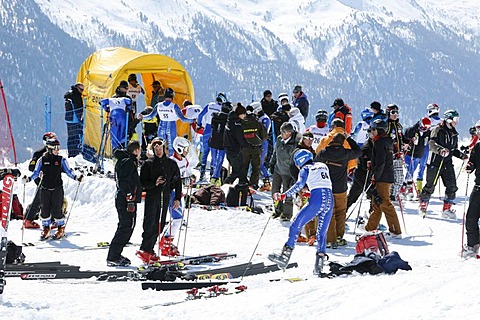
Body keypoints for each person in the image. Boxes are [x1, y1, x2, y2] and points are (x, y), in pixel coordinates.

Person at [268, 149, 333, 276]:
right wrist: (311, 192)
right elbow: (322, 183)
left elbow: (299, 185)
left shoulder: (305, 169)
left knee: (295, 225)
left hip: (317, 200)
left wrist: (283, 195)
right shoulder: (322, 165)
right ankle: (319, 266)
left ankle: (284, 257)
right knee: (321, 233)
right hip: (329, 200)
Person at [23, 138, 83, 240]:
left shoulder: (61, 160)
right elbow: (36, 173)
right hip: (45, 189)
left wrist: (76, 177)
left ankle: (61, 229)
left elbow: (69, 172)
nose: (58, 150)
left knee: (57, 211)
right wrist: (28, 179)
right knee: (44, 211)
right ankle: (46, 229)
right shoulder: (42, 160)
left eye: (59, 147)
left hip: (57, 189)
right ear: (50, 148)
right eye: (56, 148)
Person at [137, 138, 182, 263]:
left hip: (165, 196)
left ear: (164, 149)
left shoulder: (171, 163)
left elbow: (178, 181)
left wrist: (177, 198)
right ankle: (145, 248)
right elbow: (142, 183)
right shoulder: (148, 164)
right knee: (150, 222)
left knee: (160, 224)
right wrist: (154, 183)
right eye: (156, 149)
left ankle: (150, 249)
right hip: (153, 196)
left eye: (160, 149)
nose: (158, 151)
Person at [419, 110, 468, 218]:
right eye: (455, 119)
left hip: (447, 163)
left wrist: (462, 156)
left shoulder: (454, 133)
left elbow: (454, 149)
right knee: (430, 185)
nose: (457, 122)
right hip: (435, 162)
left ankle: (447, 209)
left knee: (452, 186)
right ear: (449, 119)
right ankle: (423, 205)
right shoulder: (437, 129)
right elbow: (432, 143)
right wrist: (440, 150)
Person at [316, 133, 361, 248]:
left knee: (329, 212)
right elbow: (358, 151)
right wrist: (349, 138)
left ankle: (330, 239)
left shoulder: (324, 153)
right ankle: (339, 236)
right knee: (341, 212)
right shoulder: (345, 153)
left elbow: (314, 165)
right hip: (341, 188)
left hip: (327, 186)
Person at [364, 118, 402, 237]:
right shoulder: (386, 142)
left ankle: (395, 231)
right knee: (377, 204)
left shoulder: (380, 143)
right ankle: (370, 229)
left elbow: (381, 163)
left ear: (379, 130)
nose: (371, 132)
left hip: (382, 178)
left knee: (385, 204)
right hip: (384, 176)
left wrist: (375, 175)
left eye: (373, 129)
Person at [106, 140, 141, 266]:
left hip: (125, 199)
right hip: (125, 200)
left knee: (127, 226)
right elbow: (124, 182)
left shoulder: (126, 160)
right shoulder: (128, 162)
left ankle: (116, 254)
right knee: (125, 227)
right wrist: (129, 198)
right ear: (136, 150)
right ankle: (113, 256)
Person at [137, 88, 195, 155]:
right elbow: (183, 119)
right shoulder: (174, 106)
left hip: (161, 125)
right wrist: (193, 120)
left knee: (160, 145)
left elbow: (151, 116)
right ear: (172, 96)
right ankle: (170, 162)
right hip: (171, 126)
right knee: (172, 147)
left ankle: (159, 161)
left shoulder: (158, 105)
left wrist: (142, 117)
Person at [160, 137, 192, 257]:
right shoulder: (171, 162)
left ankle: (167, 241)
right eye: (185, 149)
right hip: (173, 193)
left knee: (178, 220)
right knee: (177, 220)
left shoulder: (184, 161)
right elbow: (171, 180)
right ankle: (165, 242)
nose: (187, 151)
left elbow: (188, 173)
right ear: (179, 148)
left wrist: (191, 178)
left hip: (180, 193)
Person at [23, 132, 58, 229]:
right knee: (42, 198)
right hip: (42, 180)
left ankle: (31, 219)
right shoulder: (39, 153)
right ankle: (29, 219)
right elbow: (31, 167)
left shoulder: (55, 152)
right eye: (52, 139)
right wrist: (40, 171)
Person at [269, 122, 300, 221]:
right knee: (275, 191)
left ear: (289, 133)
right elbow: (275, 152)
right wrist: (272, 163)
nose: (281, 133)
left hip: (288, 173)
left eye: (283, 132)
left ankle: (287, 214)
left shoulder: (295, 144)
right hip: (278, 170)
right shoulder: (279, 139)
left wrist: (295, 175)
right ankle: (278, 210)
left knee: (287, 194)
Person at [197, 93, 227, 181]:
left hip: (207, 128)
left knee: (205, 152)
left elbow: (200, 115)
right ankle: (212, 175)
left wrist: (199, 124)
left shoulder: (209, 105)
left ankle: (202, 174)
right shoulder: (222, 108)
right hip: (216, 131)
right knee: (215, 154)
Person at [402, 117, 431, 200]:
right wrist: (411, 138)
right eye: (423, 128)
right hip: (410, 154)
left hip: (419, 154)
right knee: (410, 170)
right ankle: (405, 188)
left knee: (414, 170)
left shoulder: (427, 133)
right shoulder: (413, 130)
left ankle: (409, 188)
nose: (424, 130)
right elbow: (406, 135)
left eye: (426, 128)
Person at [242, 104, 267, 189]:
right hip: (256, 148)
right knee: (255, 167)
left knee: (244, 166)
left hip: (244, 148)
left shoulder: (242, 123)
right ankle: (254, 184)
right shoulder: (258, 123)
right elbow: (264, 136)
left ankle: (243, 182)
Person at [417, 103, 442, 191]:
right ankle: (428, 187)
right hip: (437, 147)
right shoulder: (442, 121)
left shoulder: (427, 120)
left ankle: (419, 189)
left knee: (422, 167)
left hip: (427, 146)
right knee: (432, 167)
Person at [464, 120, 480, 257]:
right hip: (478, 187)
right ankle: (473, 245)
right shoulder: (478, 147)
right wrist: (469, 166)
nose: (478, 133)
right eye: (478, 130)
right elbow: (473, 161)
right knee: (470, 218)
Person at [223, 103, 248, 186]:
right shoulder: (237, 126)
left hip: (229, 149)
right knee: (237, 171)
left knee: (240, 170)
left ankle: (244, 185)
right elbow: (240, 139)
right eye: (243, 114)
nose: (245, 116)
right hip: (235, 150)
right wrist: (247, 144)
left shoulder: (229, 122)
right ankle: (225, 185)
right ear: (239, 114)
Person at [209, 102, 232, 186]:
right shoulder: (228, 119)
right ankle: (216, 177)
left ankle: (212, 175)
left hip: (213, 140)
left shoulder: (214, 116)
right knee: (220, 160)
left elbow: (212, 127)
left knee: (214, 158)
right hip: (222, 142)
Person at [385, 104, 405, 202]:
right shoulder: (386, 125)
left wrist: (405, 145)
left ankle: (393, 195)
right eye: (393, 112)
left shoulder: (398, 125)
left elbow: (402, 138)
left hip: (398, 155)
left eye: (397, 112)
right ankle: (388, 196)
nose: (395, 115)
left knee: (400, 178)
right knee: (390, 178)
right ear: (388, 113)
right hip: (388, 156)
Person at [64, 82, 84, 157]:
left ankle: (71, 152)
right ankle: (74, 154)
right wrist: (80, 119)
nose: (82, 91)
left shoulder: (69, 94)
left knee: (70, 137)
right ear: (77, 88)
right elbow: (78, 108)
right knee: (76, 137)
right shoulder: (76, 96)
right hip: (75, 119)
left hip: (69, 118)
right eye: (81, 89)